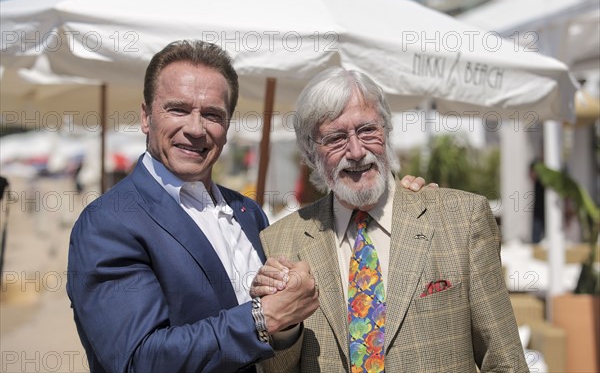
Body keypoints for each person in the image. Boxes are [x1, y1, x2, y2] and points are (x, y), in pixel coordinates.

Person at [66, 40, 428, 373]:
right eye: (177, 109)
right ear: (146, 116)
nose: (195, 128)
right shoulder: (109, 223)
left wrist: (392, 200)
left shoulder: (247, 211)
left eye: (212, 114)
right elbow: (137, 360)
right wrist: (261, 319)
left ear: (227, 124)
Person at [254, 66, 529, 372]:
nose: (357, 151)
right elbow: (276, 370)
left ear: (386, 130)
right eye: (335, 138)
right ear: (309, 153)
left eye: (367, 130)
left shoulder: (461, 220)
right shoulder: (279, 241)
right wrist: (284, 326)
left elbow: (505, 361)